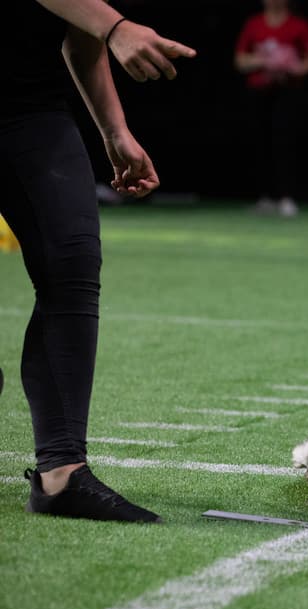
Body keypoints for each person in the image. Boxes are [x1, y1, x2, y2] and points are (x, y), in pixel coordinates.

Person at [0, 0, 195, 522]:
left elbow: (79, 37)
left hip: (28, 107)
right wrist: (118, 27)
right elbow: (100, 26)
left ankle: (61, 472)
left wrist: (114, 131)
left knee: (72, 261)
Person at [234, 0, 308, 218]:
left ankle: (287, 197)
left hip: (287, 91)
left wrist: (291, 65)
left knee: (285, 142)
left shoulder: (298, 25)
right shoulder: (254, 24)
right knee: (259, 143)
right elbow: (240, 60)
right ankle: (265, 197)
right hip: (259, 92)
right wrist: (263, 60)